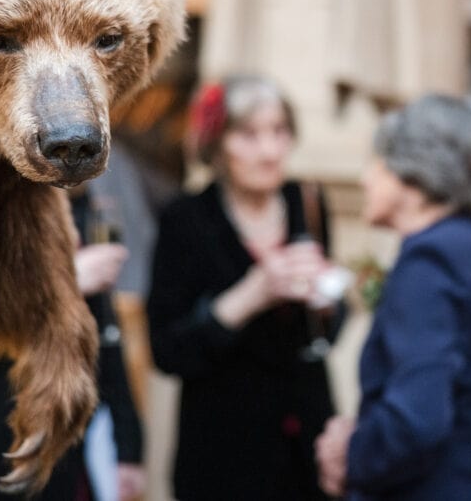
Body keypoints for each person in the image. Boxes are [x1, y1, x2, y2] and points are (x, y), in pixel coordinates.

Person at [315, 93, 471, 500]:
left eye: (379, 163)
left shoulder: (429, 262)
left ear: (415, 176)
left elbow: (416, 420)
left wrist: (351, 454)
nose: (365, 179)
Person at [146, 75, 344, 501]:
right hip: (224, 453)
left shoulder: (306, 202)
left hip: (306, 442)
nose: (270, 151)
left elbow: (323, 337)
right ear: (216, 145)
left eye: (279, 131)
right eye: (249, 135)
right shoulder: (186, 219)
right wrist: (252, 295)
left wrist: (328, 301)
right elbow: (166, 351)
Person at [0, 187, 144, 501]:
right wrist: (62, 282)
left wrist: (128, 447)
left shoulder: (80, 209)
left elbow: (102, 333)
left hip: (59, 456)